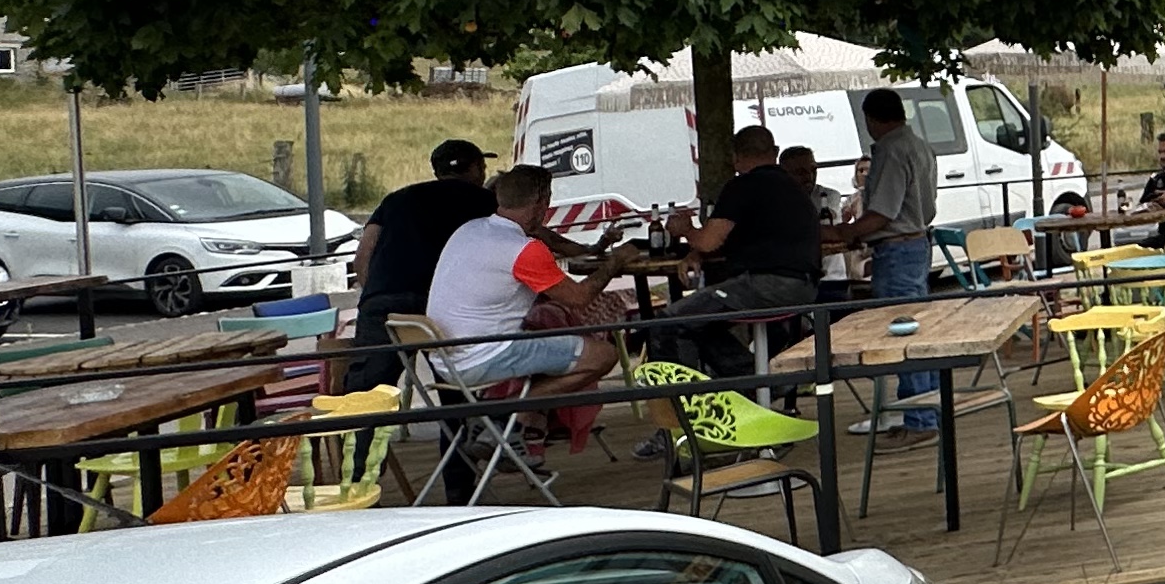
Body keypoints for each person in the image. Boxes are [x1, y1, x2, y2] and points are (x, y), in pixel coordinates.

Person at [424, 166, 621, 409]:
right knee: (603, 355)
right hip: (482, 358)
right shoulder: (523, 248)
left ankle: (525, 420)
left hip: (445, 360)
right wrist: (616, 261)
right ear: (542, 202)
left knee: (546, 333)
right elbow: (579, 298)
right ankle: (510, 412)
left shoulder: (469, 230)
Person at [667, 125, 822, 376]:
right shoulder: (794, 189)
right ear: (775, 152)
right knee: (700, 324)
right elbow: (737, 237)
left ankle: (685, 394)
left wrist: (685, 229)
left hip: (765, 285)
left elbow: (708, 241)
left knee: (673, 321)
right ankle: (754, 383)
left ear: (735, 157)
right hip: (805, 287)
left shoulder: (742, 186)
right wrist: (696, 254)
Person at [343, 137, 492, 390]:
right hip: (444, 304)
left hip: (384, 299)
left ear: (437, 171)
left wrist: (376, 295)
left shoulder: (396, 199)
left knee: (367, 388)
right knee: (457, 381)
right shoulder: (484, 201)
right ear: (477, 168)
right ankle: (459, 415)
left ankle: (360, 417)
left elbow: (363, 256)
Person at [840, 88, 942, 430]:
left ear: (870, 119)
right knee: (917, 334)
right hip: (917, 242)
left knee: (901, 335)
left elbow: (882, 212)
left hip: (896, 248)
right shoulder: (919, 145)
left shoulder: (891, 150)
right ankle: (929, 411)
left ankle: (919, 419)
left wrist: (845, 232)